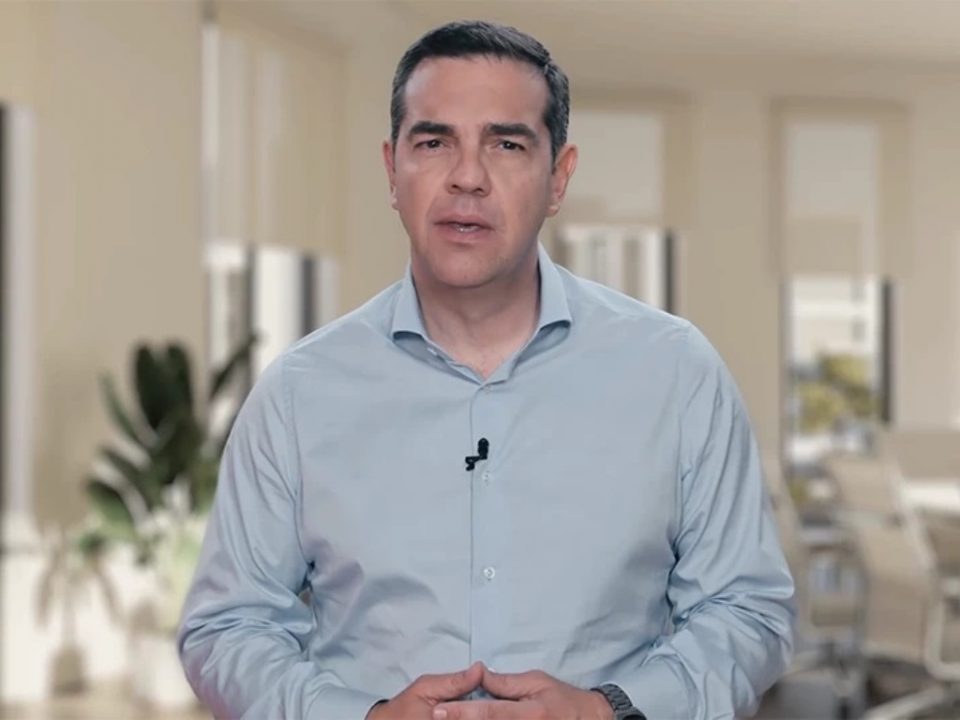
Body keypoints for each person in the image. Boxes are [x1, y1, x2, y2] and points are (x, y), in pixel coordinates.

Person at [178, 20, 794, 720]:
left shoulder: (677, 374)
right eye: (433, 142)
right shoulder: (298, 394)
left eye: (506, 144)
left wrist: (608, 711)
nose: (467, 177)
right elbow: (227, 627)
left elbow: (748, 609)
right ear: (392, 170)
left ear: (558, 178)